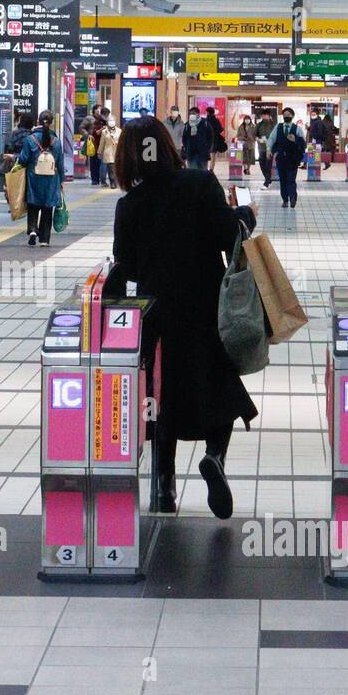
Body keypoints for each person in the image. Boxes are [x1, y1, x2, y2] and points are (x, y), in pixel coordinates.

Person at [111, 116, 258, 518]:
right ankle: (214, 457)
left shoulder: (129, 206)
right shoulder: (200, 184)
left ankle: (163, 491)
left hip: (157, 320)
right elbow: (229, 235)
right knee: (220, 388)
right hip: (206, 311)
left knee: (161, 401)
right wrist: (246, 214)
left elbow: (125, 268)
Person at [18, 110, 64, 247]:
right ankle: (44, 239)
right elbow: (60, 163)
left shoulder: (30, 139)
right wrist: (61, 181)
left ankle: (32, 230)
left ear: (38, 122)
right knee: (47, 207)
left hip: (33, 177)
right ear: (51, 123)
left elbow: (23, 159)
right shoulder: (56, 141)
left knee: (33, 203)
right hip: (51, 179)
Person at [270, 106, 307, 208]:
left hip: (292, 159)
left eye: (288, 115)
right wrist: (270, 150)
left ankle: (293, 198)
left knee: (291, 179)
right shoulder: (278, 127)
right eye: (284, 115)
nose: (286, 117)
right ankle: (285, 200)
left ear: (292, 116)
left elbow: (304, 144)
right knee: (283, 179)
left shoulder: (297, 129)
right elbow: (271, 139)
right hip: (281, 158)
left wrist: (295, 140)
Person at [180, 107, 212, 171]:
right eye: (190, 114)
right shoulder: (187, 125)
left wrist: (207, 147)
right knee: (193, 174)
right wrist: (188, 148)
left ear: (198, 114)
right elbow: (184, 139)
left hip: (203, 154)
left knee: (203, 173)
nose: (192, 115)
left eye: (193, 113)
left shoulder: (205, 123)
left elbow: (210, 137)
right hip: (191, 155)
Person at [97, 111, 122, 188]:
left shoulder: (119, 131)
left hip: (117, 151)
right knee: (111, 167)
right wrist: (99, 152)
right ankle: (112, 182)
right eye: (110, 121)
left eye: (113, 121)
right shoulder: (104, 131)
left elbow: (122, 142)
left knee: (116, 167)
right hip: (108, 152)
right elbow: (102, 143)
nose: (111, 122)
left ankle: (116, 181)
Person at [256, 111, 275, 188]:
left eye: (266, 115)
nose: (264, 116)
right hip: (261, 147)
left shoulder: (273, 125)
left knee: (268, 165)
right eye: (263, 115)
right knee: (262, 164)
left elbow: (276, 136)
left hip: (270, 148)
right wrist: (258, 139)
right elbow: (255, 134)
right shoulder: (259, 125)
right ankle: (268, 178)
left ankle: (266, 182)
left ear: (269, 116)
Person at [88, 108, 108, 186]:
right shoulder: (96, 121)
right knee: (94, 163)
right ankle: (94, 180)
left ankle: (101, 179)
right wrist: (102, 129)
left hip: (104, 146)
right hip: (95, 145)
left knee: (101, 164)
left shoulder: (107, 122)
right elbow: (95, 132)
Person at [205, 108, 227, 172]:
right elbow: (221, 130)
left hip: (206, 141)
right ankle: (211, 169)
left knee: (205, 156)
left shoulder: (205, 121)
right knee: (213, 157)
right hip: (214, 140)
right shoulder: (216, 120)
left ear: (208, 112)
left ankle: (205, 169)